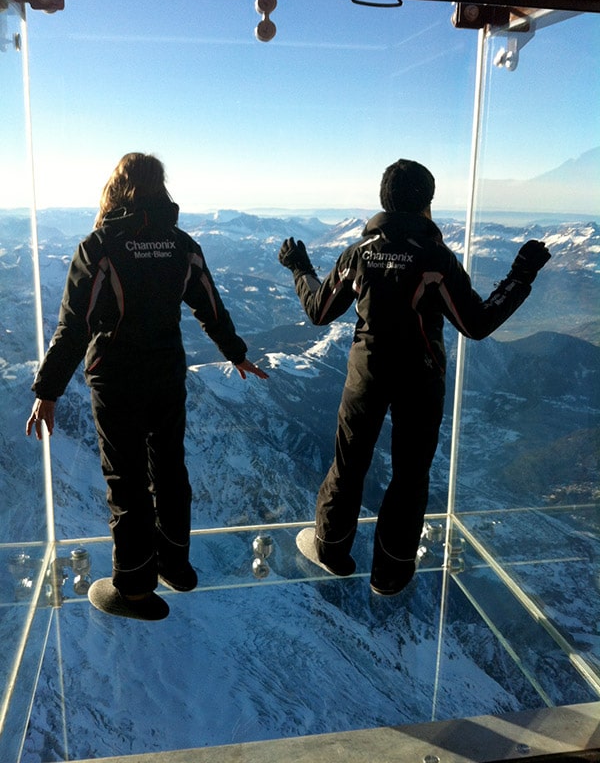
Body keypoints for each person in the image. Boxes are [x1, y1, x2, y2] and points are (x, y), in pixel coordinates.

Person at [279, 158, 550, 597]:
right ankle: (391, 572)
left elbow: (319, 310)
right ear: (427, 204)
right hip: (420, 380)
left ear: (383, 200)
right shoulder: (435, 258)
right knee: (410, 474)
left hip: (364, 377)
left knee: (349, 465)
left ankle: (330, 550)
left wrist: (299, 267)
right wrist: (520, 276)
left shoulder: (359, 254)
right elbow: (476, 323)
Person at [27, 152, 268, 620]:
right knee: (170, 469)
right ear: (161, 189)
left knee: (127, 480)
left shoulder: (99, 247)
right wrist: (235, 352)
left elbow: (74, 327)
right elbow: (209, 306)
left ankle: (135, 588)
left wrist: (47, 391)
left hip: (114, 378)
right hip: (165, 373)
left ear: (116, 188)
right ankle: (175, 565)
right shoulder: (181, 244)